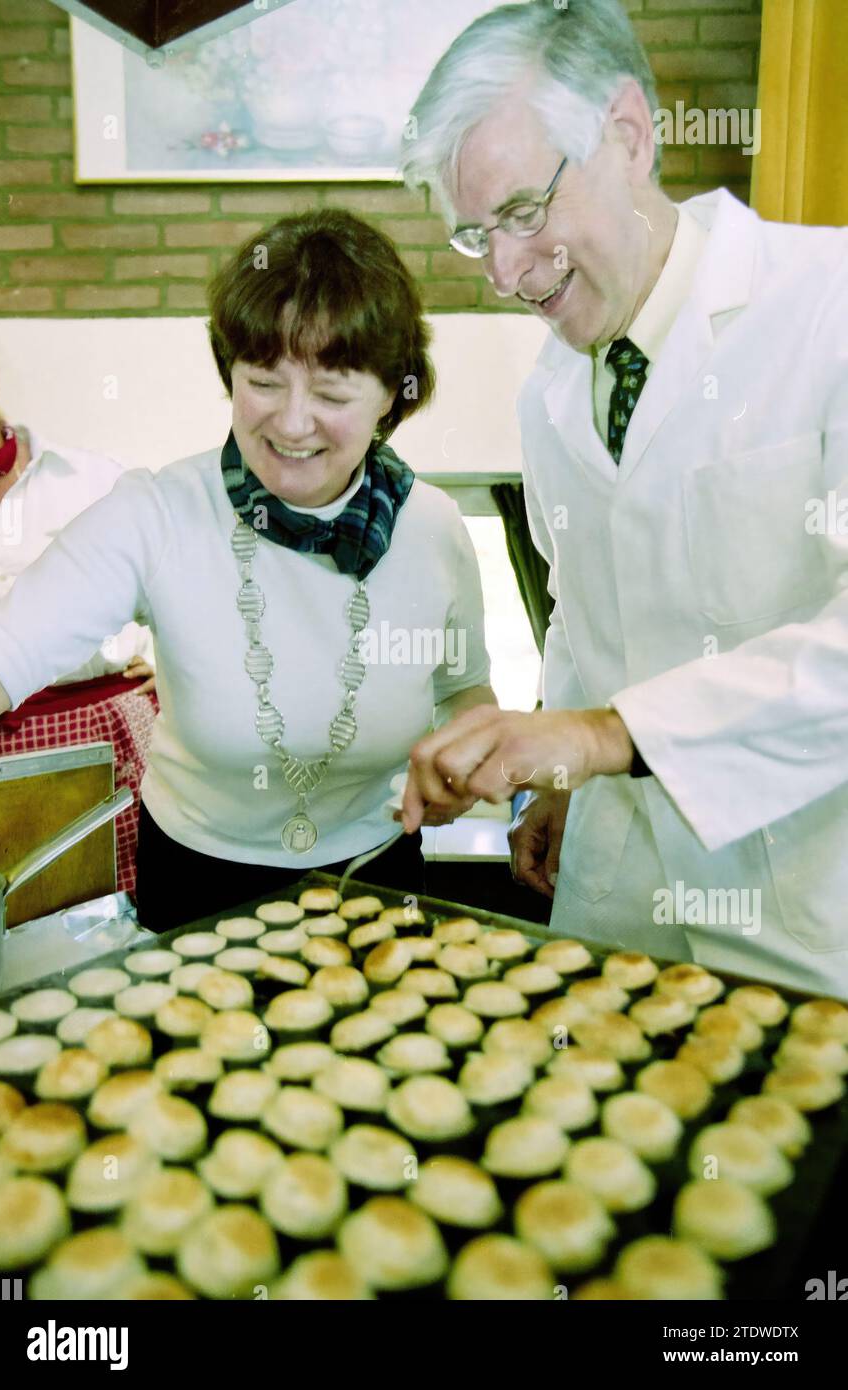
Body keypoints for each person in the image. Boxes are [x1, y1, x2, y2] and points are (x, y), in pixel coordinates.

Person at [398, 0, 848, 997]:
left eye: (522, 212)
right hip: (620, 901)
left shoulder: (827, 305)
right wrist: (558, 763)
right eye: (477, 236)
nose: (508, 274)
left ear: (629, 135)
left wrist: (604, 735)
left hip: (798, 912)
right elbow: (584, 612)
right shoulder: (552, 392)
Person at [0, 211, 493, 931]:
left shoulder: (432, 528)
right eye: (263, 382)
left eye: (333, 392)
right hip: (193, 878)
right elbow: (1, 655)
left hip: (376, 877)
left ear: (391, 397)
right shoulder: (157, 513)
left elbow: (465, 690)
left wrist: (469, 760)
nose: (290, 423)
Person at [0, 345, 157, 892]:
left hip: (103, 726)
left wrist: (170, 661)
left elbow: (171, 574)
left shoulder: (89, 477)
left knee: (125, 904)